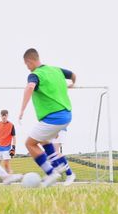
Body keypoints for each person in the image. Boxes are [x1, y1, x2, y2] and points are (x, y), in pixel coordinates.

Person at [18, 48, 76, 187]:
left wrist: (22, 110)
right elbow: (73, 75)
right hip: (66, 115)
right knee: (43, 141)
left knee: (30, 144)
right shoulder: (56, 70)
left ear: (29, 61)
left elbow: (30, 87)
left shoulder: (35, 75)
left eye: (27, 65)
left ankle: (51, 173)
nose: (28, 68)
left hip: (54, 118)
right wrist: (72, 84)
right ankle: (60, 167)